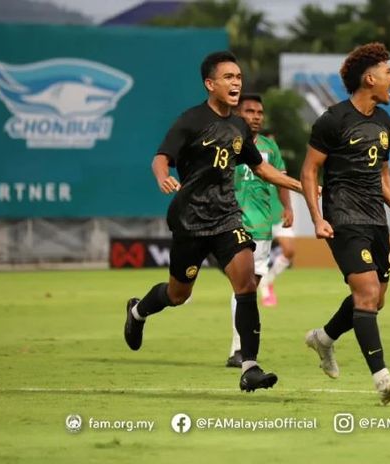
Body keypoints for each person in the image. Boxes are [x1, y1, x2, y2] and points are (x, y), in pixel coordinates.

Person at [123, 51, 303, 392]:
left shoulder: (238, 126)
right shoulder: (191, 120)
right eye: (228, 77)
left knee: (247, 283)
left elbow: (261, 168)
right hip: (190, 220)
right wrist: (163, 176)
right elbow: (161, 158)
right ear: (210, 84)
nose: (236, 82)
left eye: (238, 77)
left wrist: (306, 189)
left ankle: (249, 365)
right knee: (177, 294)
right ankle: (138, 312)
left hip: (226, 218)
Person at [300, 42, 390, 405]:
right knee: (367, 294)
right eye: (389, 72)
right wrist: (318, 219)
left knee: (375, 299)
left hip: (376, 219)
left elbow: (382, 176)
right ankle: (382, 378)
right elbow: (309, 171)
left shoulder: (385, 122)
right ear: (369, 79)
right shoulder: (333, 120)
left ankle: (323, 338)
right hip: (343, 217)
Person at [225, 93, 293, 367]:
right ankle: (238, 348)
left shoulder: (269, 147)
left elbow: (281, 178)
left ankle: (240, 348)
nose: (255, 116)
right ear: (238, 114)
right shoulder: (227, 143)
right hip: (232, 221)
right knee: (243, 284)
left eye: (259, 112)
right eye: (250, 111)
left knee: (249, 285)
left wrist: (287, 208)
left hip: (263, 225)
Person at [258, 178, 296, 307]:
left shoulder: (274, 159)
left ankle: (267, 280)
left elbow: (283, 184)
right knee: (258, 259)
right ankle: (265, 293)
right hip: (258, 215)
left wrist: (288, 208)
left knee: (289, 251)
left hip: (277, 214)